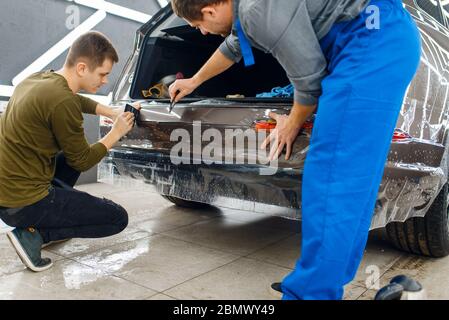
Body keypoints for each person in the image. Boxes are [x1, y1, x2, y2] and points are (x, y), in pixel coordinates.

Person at [169, 0, 421, 299]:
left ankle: (311, 292)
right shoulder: (247, 10)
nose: (203, 33)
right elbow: (233, 47)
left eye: (199, 26)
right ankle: (320, 280)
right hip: (375, 38)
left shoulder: (255, 9)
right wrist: (194, 81)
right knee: (351, 181)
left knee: (333, 179)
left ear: (210, 11)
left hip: (370, 39)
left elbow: (310, 81)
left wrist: (292, 122)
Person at [0, 31, 138, 272]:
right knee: (117, 218)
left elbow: (75, 100)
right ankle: (34, 234)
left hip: (7, 193)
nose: (105, 81)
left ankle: (45, 219)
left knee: (70, 159)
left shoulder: (40, 79)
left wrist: (111, 112)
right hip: (22, 203)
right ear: (83, 68)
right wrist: (116, 132)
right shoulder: (62, 101)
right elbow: (83, 160)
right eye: (103, 74)